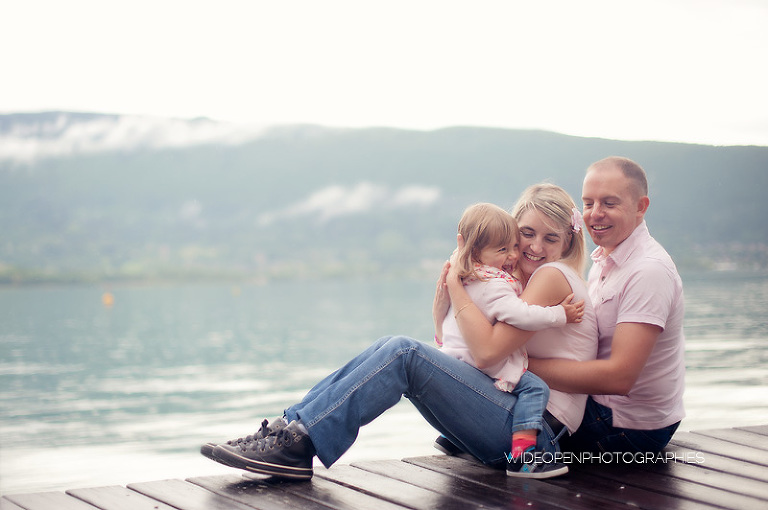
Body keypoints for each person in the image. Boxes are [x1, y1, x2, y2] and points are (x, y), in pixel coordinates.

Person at [200, 183, 597, 481]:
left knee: (404, 353)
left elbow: (488, 355)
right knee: (392, 348)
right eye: (526, 233)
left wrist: (457, 286)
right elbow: (459, 340)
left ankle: (296, 442)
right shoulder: (516, 283)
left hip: (532, 432)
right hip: (510, 414)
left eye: (550, 238)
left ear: (567, 242)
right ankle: (290, 431)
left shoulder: (548, 276)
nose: (534, 247)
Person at [525, 157, 685, 454]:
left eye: (609, 203)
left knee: (501, 421)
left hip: (629, 427)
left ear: (641, 207)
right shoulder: (604, 261)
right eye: (588, 203)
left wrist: (520, 366)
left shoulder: (648, 271)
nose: (595, 214)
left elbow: (619, 377)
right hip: (602, 406)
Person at [436, 202, 584, 477]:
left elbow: (445, 325)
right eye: (505, 248)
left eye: (550, 237)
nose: (517, 253)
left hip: (457, 357)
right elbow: (521, 317)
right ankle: (526, 455)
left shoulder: (471, 276)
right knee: (535, 389)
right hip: (477, 360)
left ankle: (455, 437)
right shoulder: (495, 283)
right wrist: (560, 315)